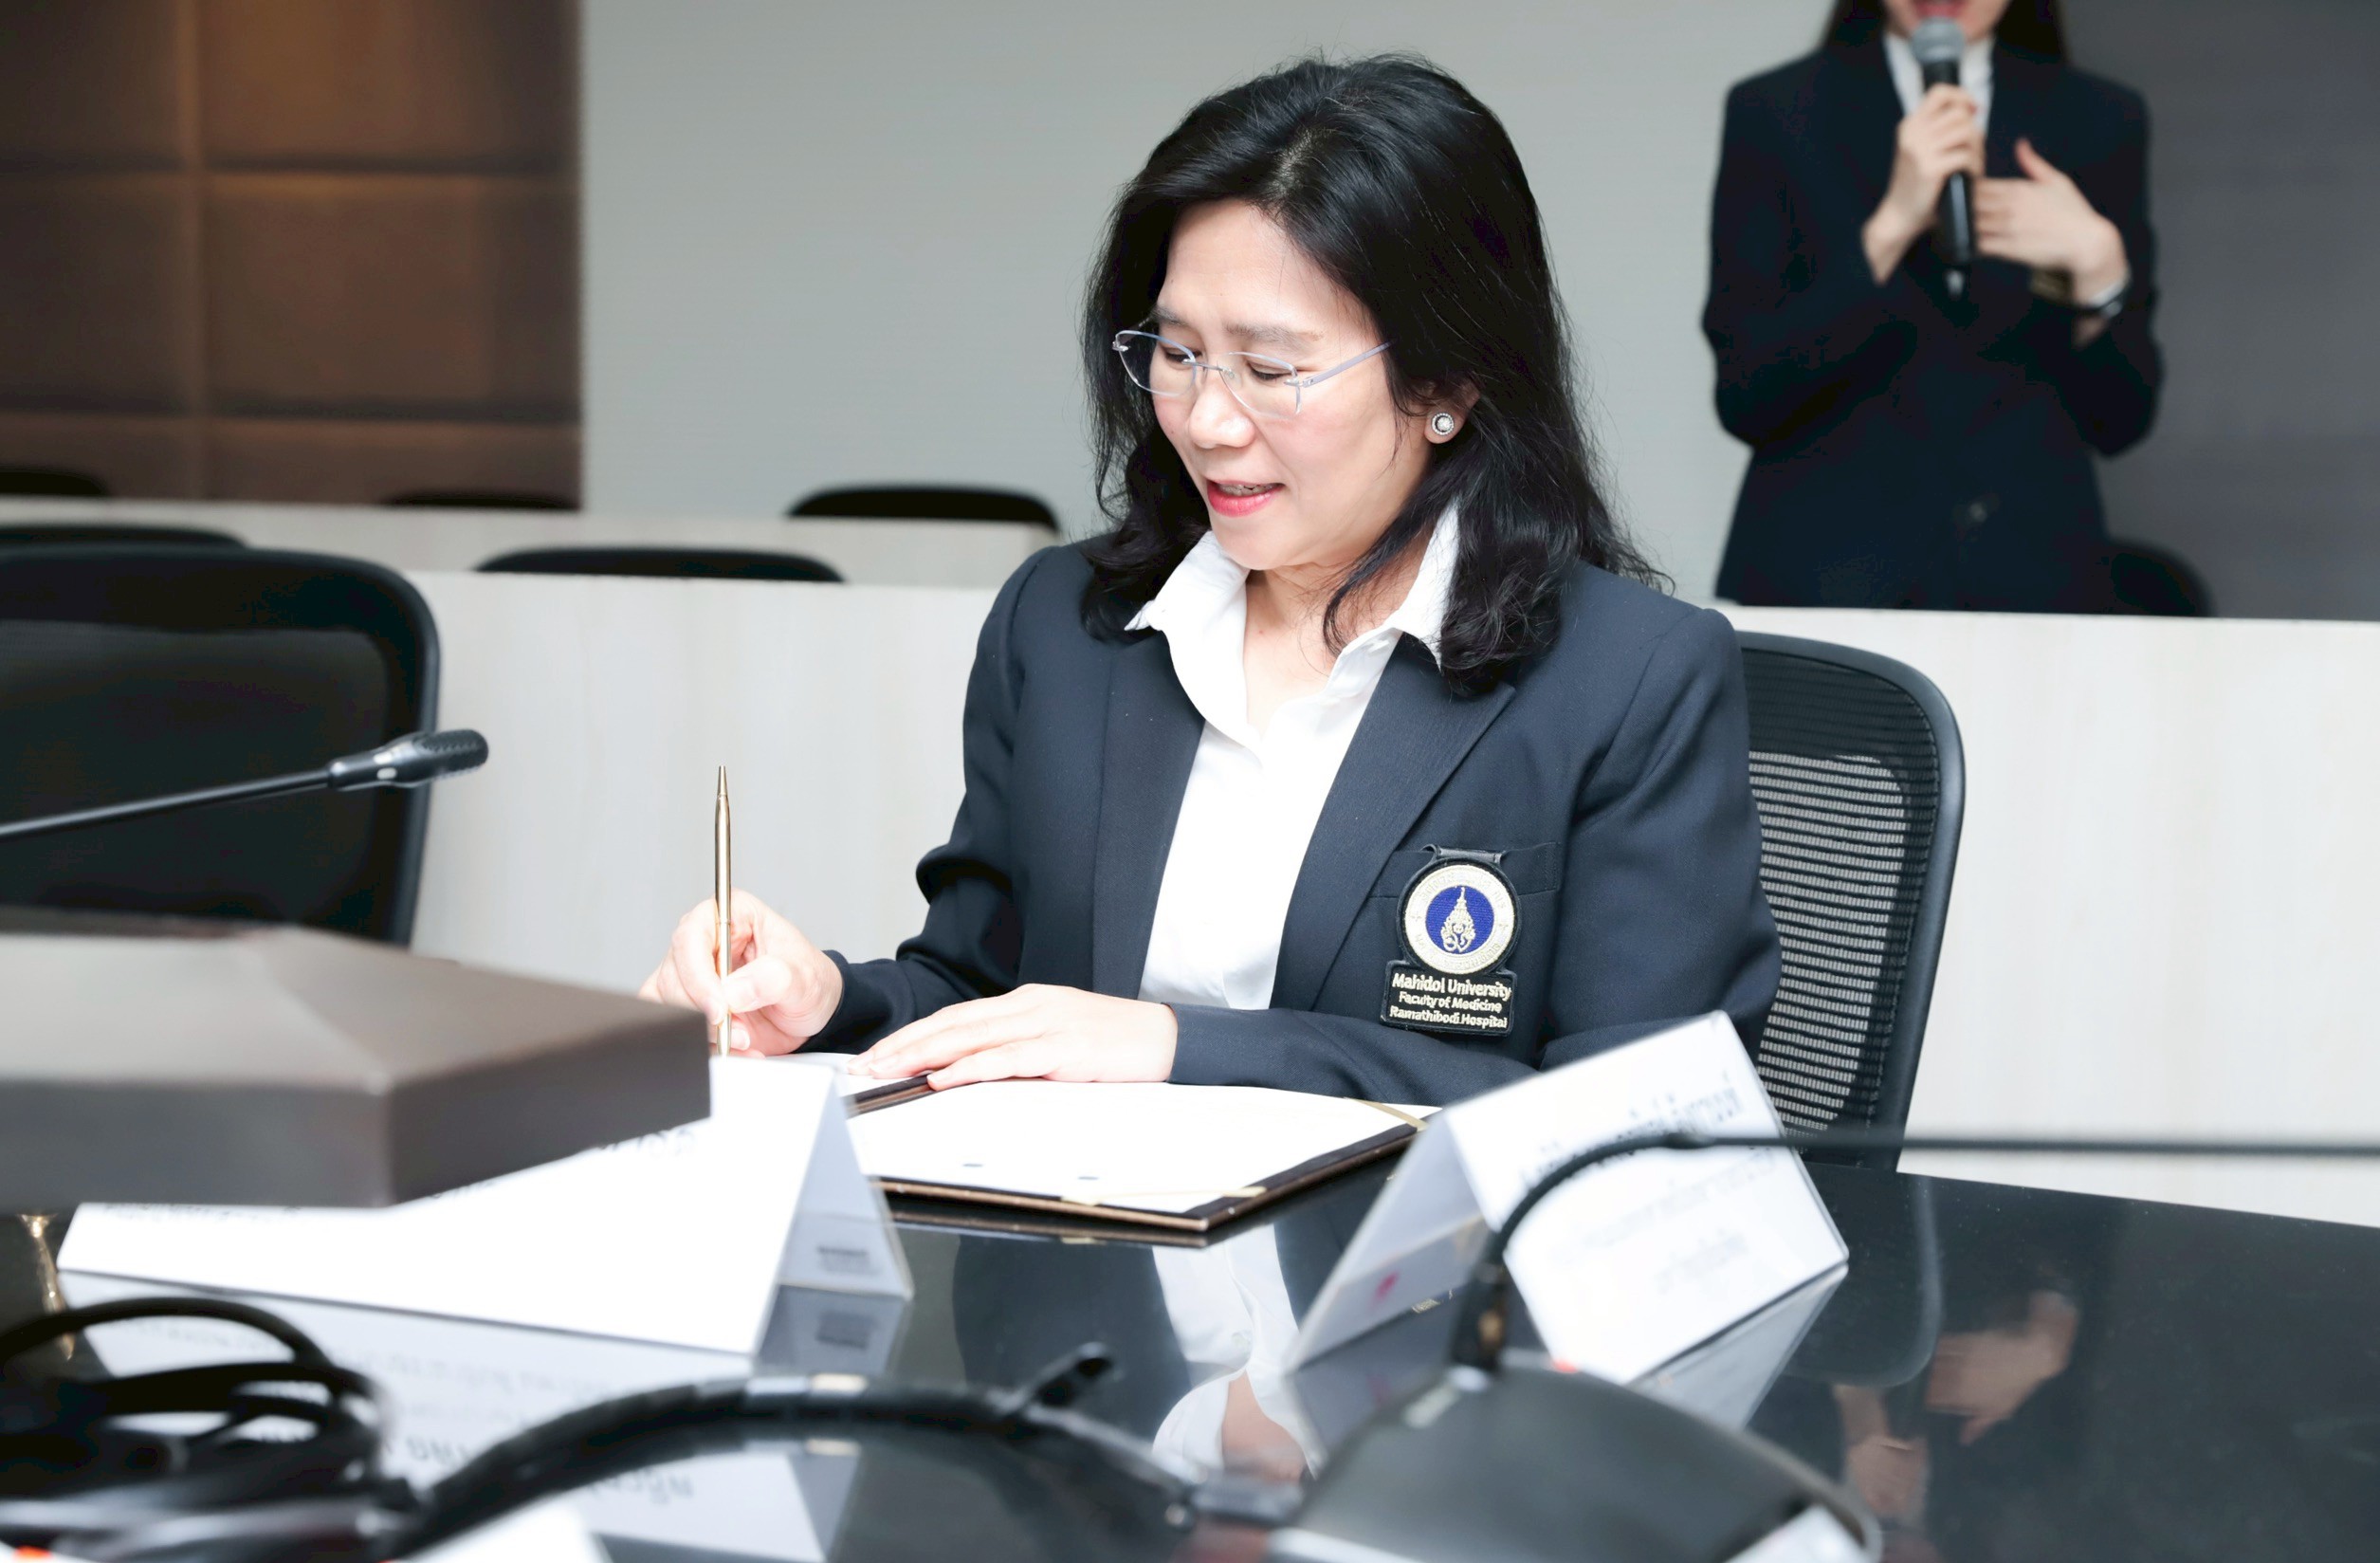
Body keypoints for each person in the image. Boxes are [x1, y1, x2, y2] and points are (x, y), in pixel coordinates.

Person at [641, 55, 1779, 1105]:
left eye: (1271, 368)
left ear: (1446, 384)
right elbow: (988, 991)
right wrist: (825, 1003)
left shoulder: (1625, 680)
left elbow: (1636, 1112)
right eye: (1177, 354)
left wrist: (1179, 1046)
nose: (1208, 421)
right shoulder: (1068, 626)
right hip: (1082, 1246)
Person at [1706, 0, 2163, 612]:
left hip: (2031, 580)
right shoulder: (1776, 109)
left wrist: (2100, 269)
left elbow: (2123, 419)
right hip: (1826, 575)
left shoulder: (2100, 116)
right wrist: (1892, 224)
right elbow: (1746, 392)